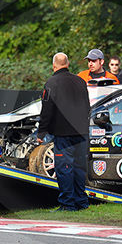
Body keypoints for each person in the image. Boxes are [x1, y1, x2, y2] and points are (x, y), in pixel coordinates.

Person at [37, 52, 91, 211]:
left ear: (54, 66)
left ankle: (67, 204)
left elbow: (47, 109)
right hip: (81, 132)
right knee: (80, 168)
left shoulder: (52, 82)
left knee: (64, 168)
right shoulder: (81, 81)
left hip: (63, 133)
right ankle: (82, 202)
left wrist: (42, 132)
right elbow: (87, 107)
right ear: (67, 64)